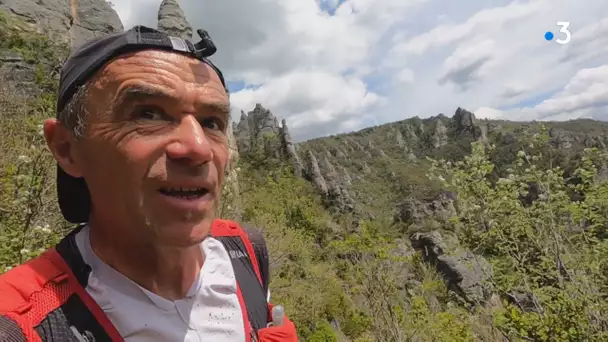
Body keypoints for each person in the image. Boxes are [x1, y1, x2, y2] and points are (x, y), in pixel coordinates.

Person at [0, 26, 298, 342]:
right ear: (66, 148)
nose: (198, 148)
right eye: (148, 115)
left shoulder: (245, 250)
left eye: (211, 123)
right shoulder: (20, 323)